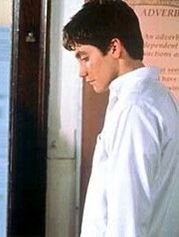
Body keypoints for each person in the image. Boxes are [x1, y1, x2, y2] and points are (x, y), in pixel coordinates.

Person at [63, 1, 179, 236]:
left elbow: (127, 218)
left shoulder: (134, 109)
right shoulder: (157, 96)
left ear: (114, 47)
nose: (81, 71)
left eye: (85, 57)